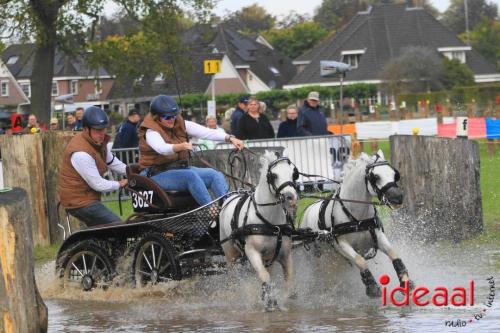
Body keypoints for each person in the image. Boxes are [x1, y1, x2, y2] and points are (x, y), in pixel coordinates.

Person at [138, 95, 244, 206]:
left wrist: (230, 138)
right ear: (157, 117)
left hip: (179, 168)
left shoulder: (180, 123)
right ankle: (211, 211)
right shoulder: (150, 131)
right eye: (167, 117)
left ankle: (230, 208)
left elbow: (206, 132)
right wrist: (181, 146)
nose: (171, 120)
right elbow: (162, 149)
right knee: (190, 176)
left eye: (173, 116)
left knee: (215, 175)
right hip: (156, 173)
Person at [58, 106, 128, 227]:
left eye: (103, 129)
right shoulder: (81, 153)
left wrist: (132, 172)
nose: (102, 134)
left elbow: (112, 162)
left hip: (87, 198)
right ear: (86, 129)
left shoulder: (98, 143)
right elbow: (98, 184)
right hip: (79, 202)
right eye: (97, 130)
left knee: (104, 233)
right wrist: (120, 184)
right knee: (118, 225)